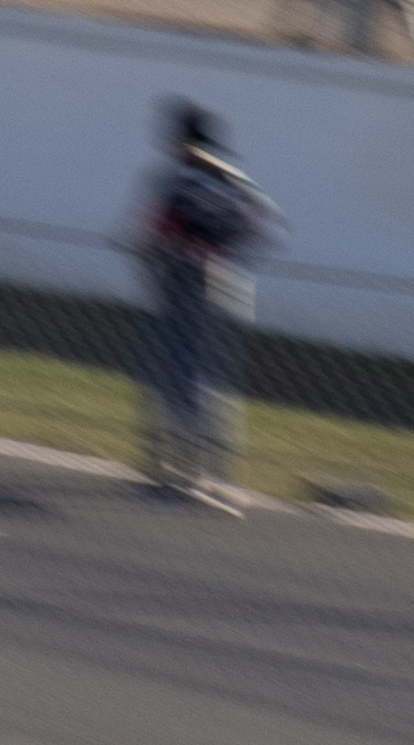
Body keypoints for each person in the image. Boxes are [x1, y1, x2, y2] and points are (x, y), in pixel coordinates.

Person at [132, 102, 275, 511]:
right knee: (216, 377)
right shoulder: (234, 179)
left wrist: (151, 265)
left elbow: (156, 232)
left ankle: (180, 470)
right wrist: (226, 255)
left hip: (183, 281)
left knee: (175, 373)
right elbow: (261, 227)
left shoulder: (177, 179)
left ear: (182, 138)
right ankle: (221, 473)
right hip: (229, 281)